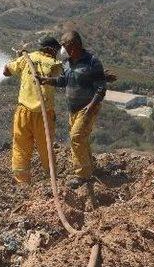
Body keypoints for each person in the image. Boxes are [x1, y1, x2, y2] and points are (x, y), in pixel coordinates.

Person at [38, 31, 107, 189]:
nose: (61, 48)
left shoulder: (92, 61)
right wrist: (47, 80)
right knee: (81, 138)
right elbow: (63, 80)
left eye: (64, 44)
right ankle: (89, 168)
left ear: (74, 45)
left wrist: (91, 107)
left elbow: (101, 88)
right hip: (73, 110)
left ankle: (82, 175)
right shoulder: (68, 62)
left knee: (76, 137)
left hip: (88, 107)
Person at [3, 36, 63, 184]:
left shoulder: (27, 58)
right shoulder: (55, 64)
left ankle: (22, 182)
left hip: (24, 112)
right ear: (51, 49)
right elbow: (63, 77)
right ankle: (52, 180)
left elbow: (6, 71)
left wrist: (21, 59)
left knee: (21, 146)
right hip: (44, 114)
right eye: (56, 50)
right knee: (46, 147)